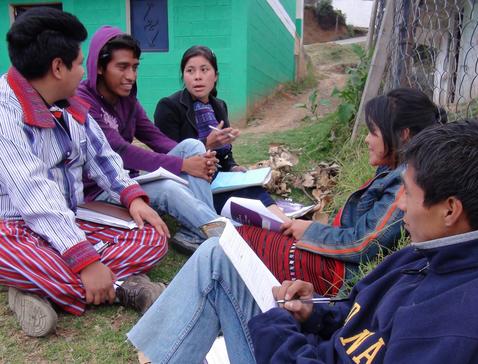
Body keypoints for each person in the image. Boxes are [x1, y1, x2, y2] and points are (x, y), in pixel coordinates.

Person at [128, 118, 478, 363]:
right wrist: (314, 313)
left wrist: (277, 326)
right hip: (310, 344)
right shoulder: (428, 256)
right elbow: (357, 312)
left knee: (220, 257)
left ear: (450, 210)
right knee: (217, 254)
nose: (400, 203)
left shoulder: (458, 326)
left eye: (408, 192)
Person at [0, 8, 169, 337]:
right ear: (57, 67)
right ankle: (124, 288)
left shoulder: (70, 103)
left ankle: (36, 288)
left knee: (153, 237)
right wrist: (86, 261)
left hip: (69, 217)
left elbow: (103, 157)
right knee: (27, 257)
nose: (83, 72)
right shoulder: (5, 114)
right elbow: (34, 195)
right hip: (12, 227)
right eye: (79, 63)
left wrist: (131, 197)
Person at [236, 87, 446, 295]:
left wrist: (310, 231)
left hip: (339, 273)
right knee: (238, 238)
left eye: (373, 132)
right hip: (335, 256)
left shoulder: (405, 182)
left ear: (403, 134)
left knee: (240, 241)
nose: (366, 140)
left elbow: (363, 245)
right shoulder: (394, 167)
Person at [77, 27, 220, 253]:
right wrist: (182, 165)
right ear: (100, 67)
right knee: (167, 188)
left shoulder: (127, 100)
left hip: (129, 182)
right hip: (101, 190)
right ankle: (226, 232)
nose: (131, 76)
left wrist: (195, 161)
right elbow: (120, 151)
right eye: (122, 67)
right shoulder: (83, 100)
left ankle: (197, 231)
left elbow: (155, 137)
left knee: (194, 146)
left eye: (135, 67)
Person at [154, 45, 287, 219]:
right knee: (242, 203)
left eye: (204, 70)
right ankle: (281, 225)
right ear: (183, 76)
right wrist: (207, 144)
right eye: (190, 71)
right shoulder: (169, 107)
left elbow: (225, 152)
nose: (198, 77)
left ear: (215, 76)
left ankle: (286, 224)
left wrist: (232, 166)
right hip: (191, 180)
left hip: (219, 178)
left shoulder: (219, 106)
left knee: (252, 189)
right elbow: (168, 157)